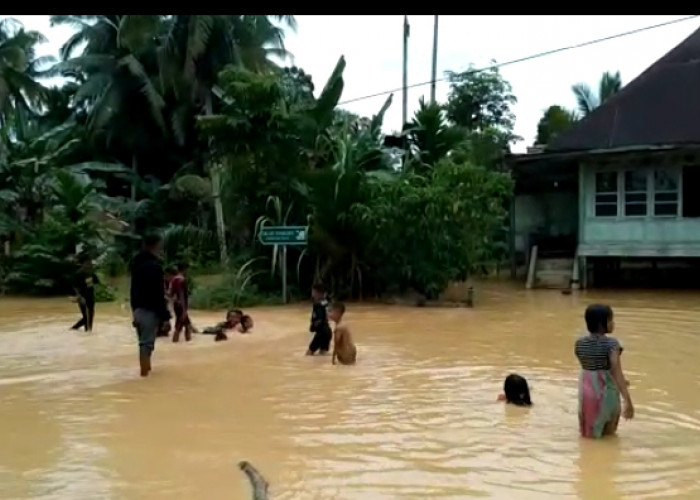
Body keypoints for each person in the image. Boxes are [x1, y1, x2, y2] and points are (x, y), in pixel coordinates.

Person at [575, 304, 634, 439]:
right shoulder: (612, 344)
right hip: (607, 395)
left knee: (588, 438)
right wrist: (628, 401)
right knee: (609, 436)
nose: (613, 323)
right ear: (603, 324)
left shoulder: (580, 343)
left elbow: (591, 367)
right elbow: (615, 371)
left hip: (586, 394)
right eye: (611, 320)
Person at [130, 232, 171, 377]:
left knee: (144, 343)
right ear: (156, 245)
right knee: (146, 345)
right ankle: (144, 374)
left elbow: (133, 291)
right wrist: (165, 316)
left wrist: (134, 311)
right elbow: (157, 294)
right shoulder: (154, 267)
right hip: (150, 310)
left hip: (138, 310)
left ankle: (146, 371)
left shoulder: (136, 265)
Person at [71, 256, 99, 332]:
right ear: (83, 264)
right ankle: (76, 328)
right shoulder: (79, 274)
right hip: (82, 298)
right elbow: (75, 287)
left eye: (90, 264)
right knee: (86, 316)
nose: (89, 265)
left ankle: (88, 331)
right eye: (87, 263)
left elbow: (96, 283)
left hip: (90, 296)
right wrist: (80, 297)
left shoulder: (91, 273)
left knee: (91, 315)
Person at [169, 262, 192, 343]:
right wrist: (184, 310)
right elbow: (181, 295)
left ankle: (184, 342)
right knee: (181, 326)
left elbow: (170, 293)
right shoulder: (182, 280)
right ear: (185, 269)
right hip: (181, 306)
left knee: (185, 325)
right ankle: (184, 342)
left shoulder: (174, 279)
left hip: (176, 305)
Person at [306, 283, 332, 355]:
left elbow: (319, 320)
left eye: (313, 291)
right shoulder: (326, 302)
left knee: (308, 354)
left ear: (317, 293)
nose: (312, 293)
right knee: (322, 355)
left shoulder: (317, 304)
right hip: (328, 331)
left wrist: (312, 327)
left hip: (321, 332)